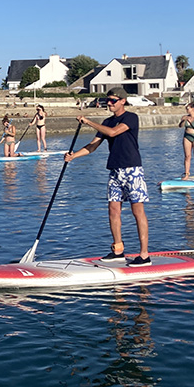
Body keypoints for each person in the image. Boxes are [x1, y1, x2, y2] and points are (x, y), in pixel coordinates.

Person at [64, 88, 151, 267]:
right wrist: (73, 156)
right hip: (115, 171)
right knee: (113, 210)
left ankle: (144, 255)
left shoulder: (130, 118)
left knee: (137, 211)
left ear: (122, 101)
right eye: (107, 100)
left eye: (112, 100)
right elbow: (93, 146)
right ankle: (118, 250)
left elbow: (113, 133)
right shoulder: (106, 121)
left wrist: (88, 122)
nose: (109, 103)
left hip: (132, 170)